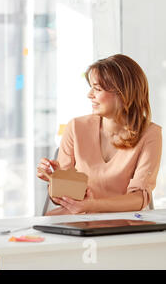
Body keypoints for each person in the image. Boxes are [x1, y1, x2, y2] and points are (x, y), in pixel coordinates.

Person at [37, 54, 162, 215]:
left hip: (123, 224)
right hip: (76, 221)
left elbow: (139, 198)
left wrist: (93, 206)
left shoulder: (150, 134)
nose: (90, 95)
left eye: (97, 89)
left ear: (123, 93)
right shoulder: (76, 127)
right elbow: (61, 199)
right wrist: (56, 179)